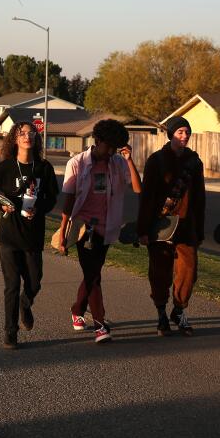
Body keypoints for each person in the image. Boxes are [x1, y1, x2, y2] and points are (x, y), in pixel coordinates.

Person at [0, 121, 60, 350]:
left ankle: (26, 304)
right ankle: (10, 333)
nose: (27, 136)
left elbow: (52, 197)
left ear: (36, 137)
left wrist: (38, 209)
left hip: (33, 236)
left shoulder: (44, 168)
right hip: (9, 236)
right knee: (11, 285)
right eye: (22, 133)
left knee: (34, 282)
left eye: (31, 132)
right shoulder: (6, 167)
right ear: (15, 139)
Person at [59, 119, 142, 343]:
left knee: (93, 272)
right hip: (84, 226)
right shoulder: (76, 163)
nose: (111, 152)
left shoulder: (117, 162)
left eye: (115, 148)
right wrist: (62, 233)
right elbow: (68, 201)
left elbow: (137, 187)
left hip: (107, 227)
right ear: (97, 141)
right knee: (93, 274)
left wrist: (129, 159)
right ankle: (100, 325)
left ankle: (77, 309)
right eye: (109, 147)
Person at [137, 115, 205, 337]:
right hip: (161, 225)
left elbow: (200, 199)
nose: (184, 136)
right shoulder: (156, 160)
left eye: (187, 132)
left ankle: (178, 310)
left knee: (189, 271)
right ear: (171, 134)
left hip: (187, 225)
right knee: (160, 272)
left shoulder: (194, 162)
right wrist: (143, 230)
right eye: (180, 132)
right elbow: (147, 197)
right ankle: (161, 314)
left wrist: (200, 229)